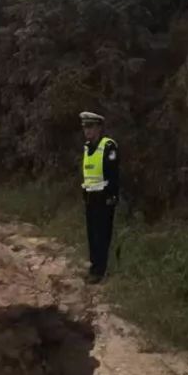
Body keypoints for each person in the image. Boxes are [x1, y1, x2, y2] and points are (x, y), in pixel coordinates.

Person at [79, 111, 119, 284]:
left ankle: (99, 271)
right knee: (92, 234)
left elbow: (114, 174)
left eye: (90, 127)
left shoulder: (108, 146)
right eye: (85, 127)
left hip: (104, 197)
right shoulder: (88, 147)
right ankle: (94, 267)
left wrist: (112, 195)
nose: (87, 131)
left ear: (99, 128)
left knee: (102, 235)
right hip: (90, 197)